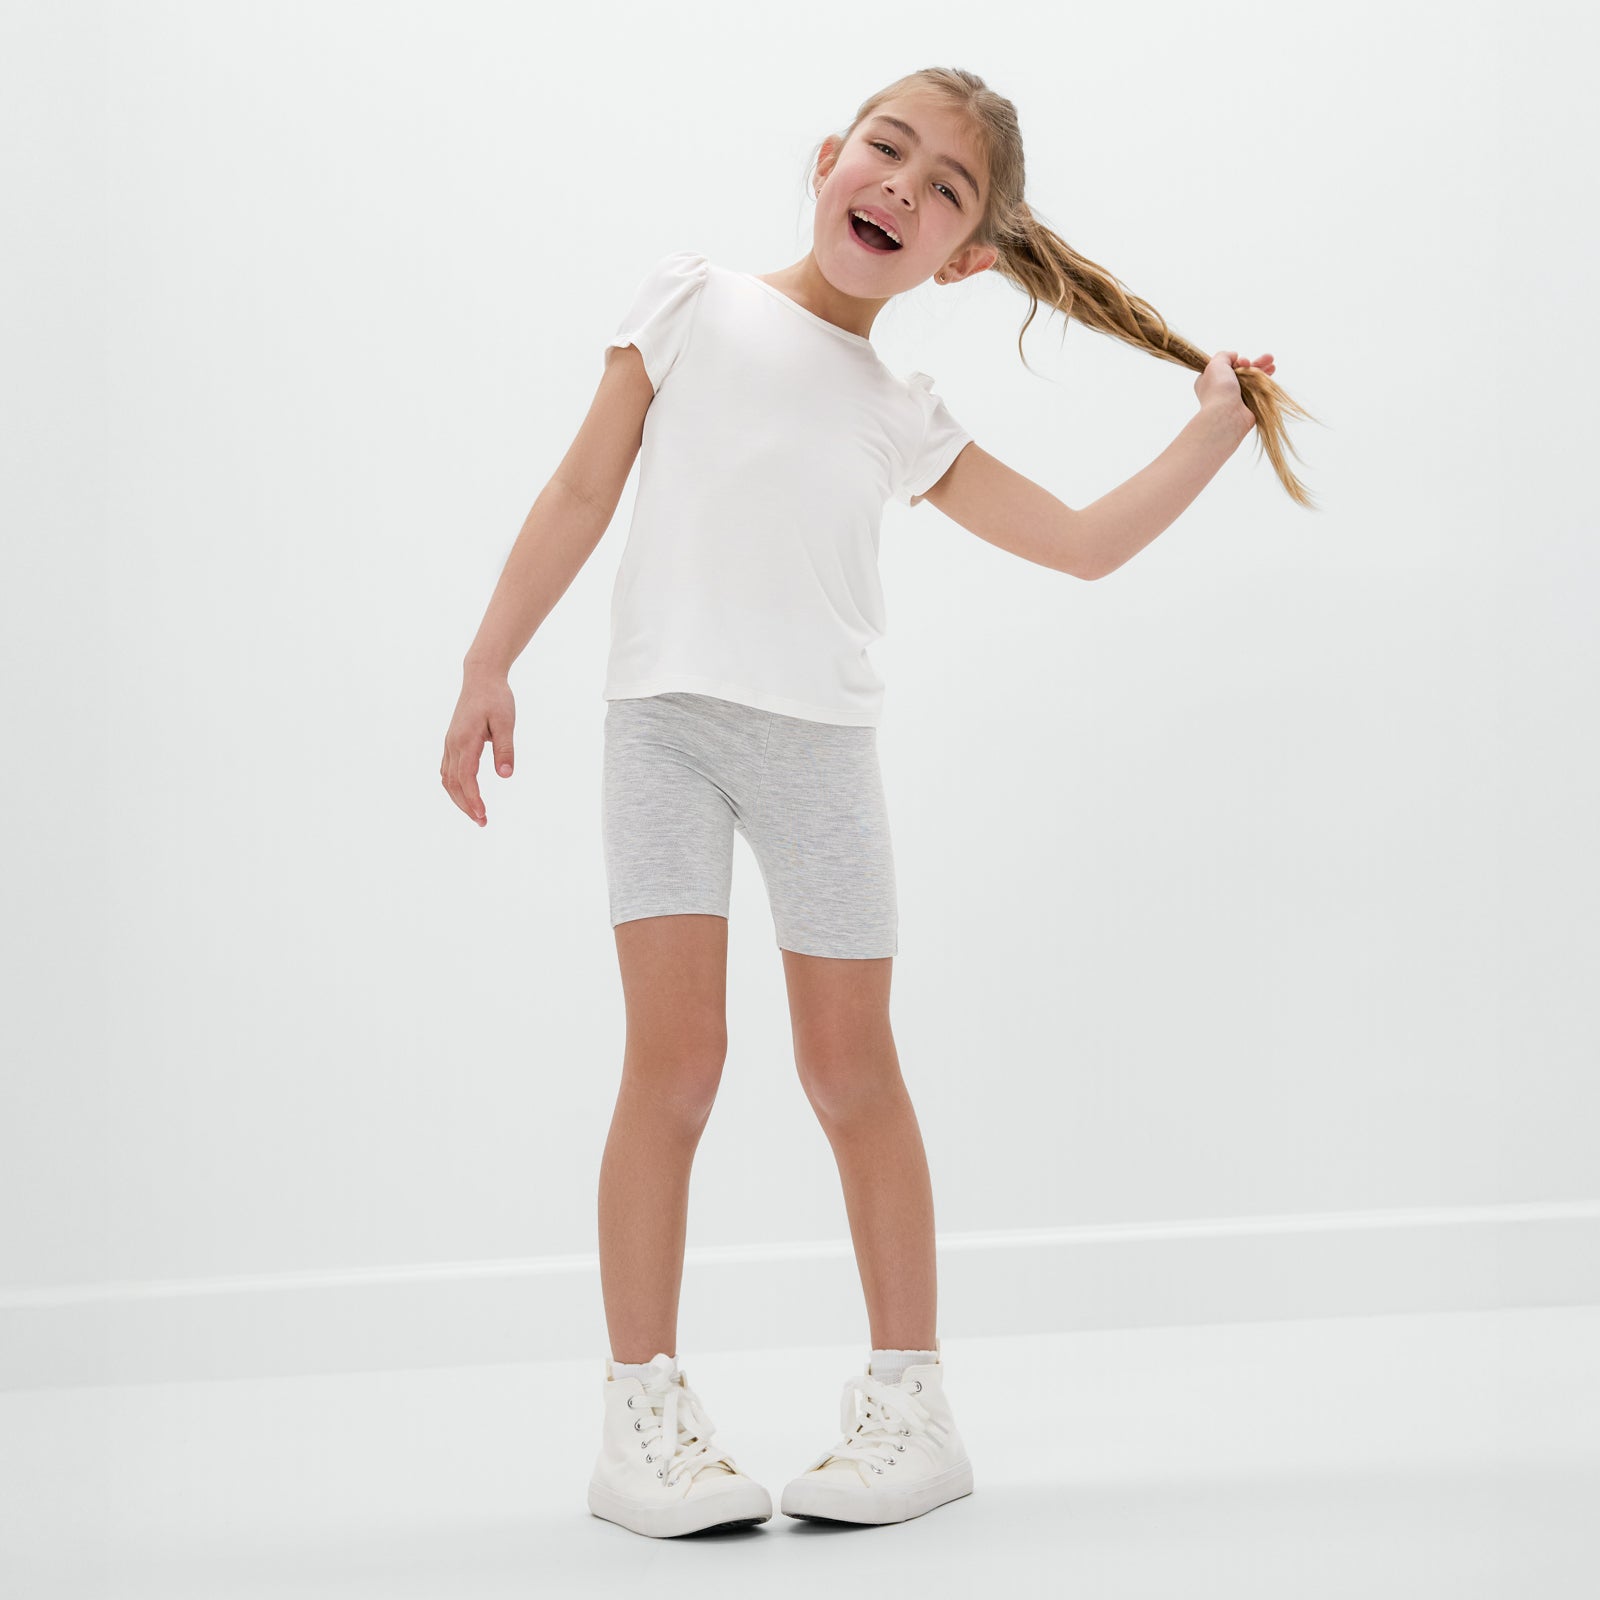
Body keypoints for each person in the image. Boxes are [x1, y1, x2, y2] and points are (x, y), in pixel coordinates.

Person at [440, 66, 1310, 1540]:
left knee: (852, 1073)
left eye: (946, 189)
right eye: (887, 150)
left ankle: (912, 1406)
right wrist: (488, 661)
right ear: (829, 157)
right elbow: (582, 491)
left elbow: (1082, 544)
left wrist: (1213, 432)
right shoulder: (692, 301)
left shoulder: (904, 411)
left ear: (964, 258)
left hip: (819, 758)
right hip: (662, 734)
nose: (904, 185)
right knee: (675, 1069)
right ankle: (641, 1416)